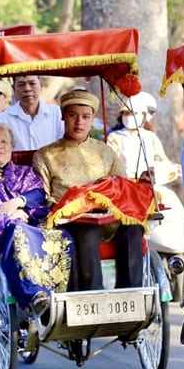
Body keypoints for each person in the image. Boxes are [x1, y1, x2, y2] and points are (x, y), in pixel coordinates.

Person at [32, 88, 150, 293]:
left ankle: (131, 295)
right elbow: (42, 197)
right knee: (88, 231)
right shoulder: (45, 155)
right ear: (63, 117)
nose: (79, 122)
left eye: (85, 117)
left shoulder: (105, 151)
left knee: (133, 229)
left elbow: (121, 186)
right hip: (70, 222)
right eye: (73, 116)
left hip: (109, 219)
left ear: (92, 118)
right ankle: (94, 295)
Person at [0, 122, 70, 312]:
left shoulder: (25, 172)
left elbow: (39, 194)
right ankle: (34, 294)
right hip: (0, 226)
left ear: (12, 147)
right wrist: (6, 212)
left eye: (4, 141)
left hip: (32, 219)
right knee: (16, 229)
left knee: (65, 235)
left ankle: (64, 292)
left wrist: (18, 202)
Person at [0, 75, 64, 151]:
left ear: (41, 85)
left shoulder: (59, 115)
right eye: (21, 84)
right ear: (14, 89)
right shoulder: (1, 121)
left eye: (32, 83)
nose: (27, 89)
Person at [107, 92, 170, 178]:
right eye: (126, 113)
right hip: (124, 182)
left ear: (143, 116)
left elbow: (162, 159)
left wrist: (173, 168)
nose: (129, 117)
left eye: (133, 113)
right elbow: (111, 164)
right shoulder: (114, 137)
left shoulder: (150, 136)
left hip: (149, 181)